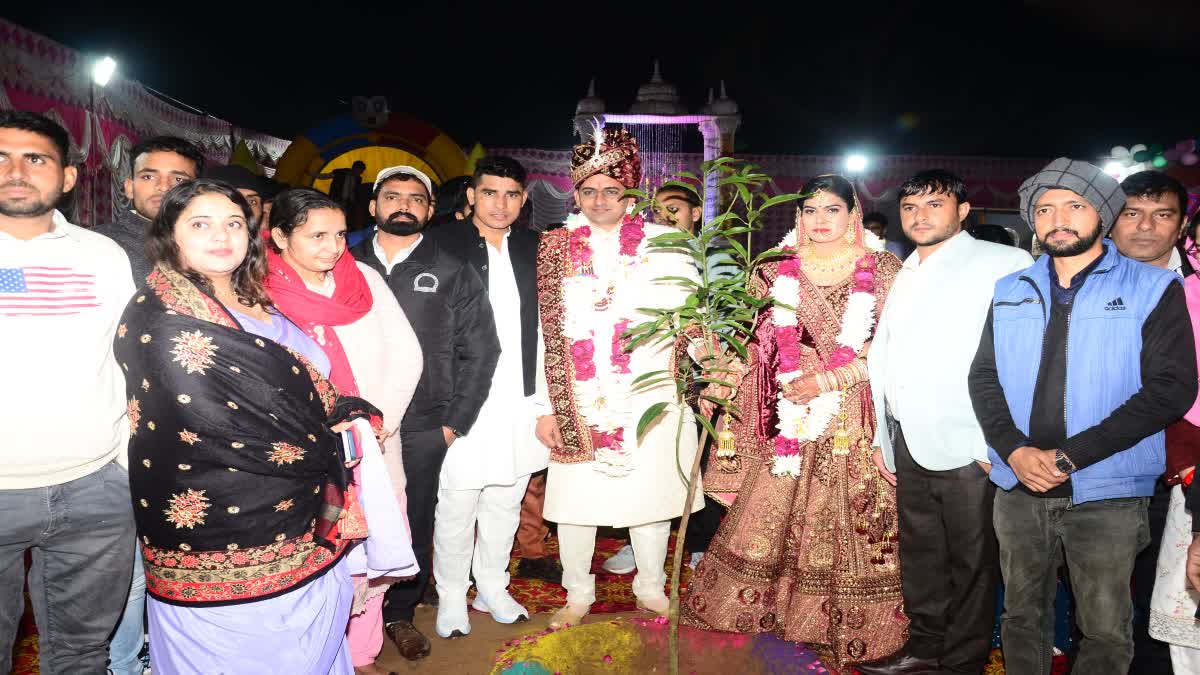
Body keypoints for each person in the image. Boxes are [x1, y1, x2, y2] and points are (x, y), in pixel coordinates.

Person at [116, 178, 376, 674]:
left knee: (310, 633)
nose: (222, 236)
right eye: (200, 224)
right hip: (218, 514)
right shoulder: (162, 317)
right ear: (170, 233)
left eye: (234, 223)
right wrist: (326, 441)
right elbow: (207, 417)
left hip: (302, 504)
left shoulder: (256, 296)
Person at [968, 158, 1197, 674]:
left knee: (1105, 627)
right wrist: (1015, 450)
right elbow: (984, 377)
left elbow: (1171, 389)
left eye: (1075, 204)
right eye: (1044, 209)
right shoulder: (1012, 287)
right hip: (1019, 486)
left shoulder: (1152, 287)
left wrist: (1072, 456)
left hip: (1107, 489)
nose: (1058, 218)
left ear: (1103, 212)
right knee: (1023, 617)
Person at [681, 173, 906, 669]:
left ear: (853, 214)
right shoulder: (772, 269)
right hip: (789, 413)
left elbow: (898, 349)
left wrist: (827, 381)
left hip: (853, 414)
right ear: (796, 217)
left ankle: (848, 622)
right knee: (773, 510)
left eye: (831, 209)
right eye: (809, 211)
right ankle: (770, 612)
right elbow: (749, 336)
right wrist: (711, 354)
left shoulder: (885, 268)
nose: (819, 220)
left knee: (854, 516)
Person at [533, 128, 704, 629]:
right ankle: (577, 593)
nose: (599, 201)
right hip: (577, 393)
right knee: (575, 505)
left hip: (651, 395)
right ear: (576, 194)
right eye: (588, 191)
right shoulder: (554, 247)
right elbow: (546, 333)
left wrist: (707, 367)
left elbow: (690, 318)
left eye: (611, 190)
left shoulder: (666, 244)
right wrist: (545, 405)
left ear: (631, 195)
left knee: (649, 498)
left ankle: (649, 586)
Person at [861, 169, 1030, 675]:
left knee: (972, 562)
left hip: (971, 443)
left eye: (935, 205)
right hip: (907, 438)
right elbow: (887, 357)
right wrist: (881, 436)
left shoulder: (1003, 262)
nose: (919, 216)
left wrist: (991, 444)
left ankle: (963, 661)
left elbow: (1020, 359)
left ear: (963, 210)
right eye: (910, 208)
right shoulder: (905, 268)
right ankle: (923, 648)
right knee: (922, 556)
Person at [0, 110, 136, 674]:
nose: (16, 171)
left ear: (69, 176)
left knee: (81, 655)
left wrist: (124, 465)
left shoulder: (102, 255)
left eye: (36, 159)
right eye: (1, 159)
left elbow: (131, 356)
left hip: (96, 493)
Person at [265, 188, 423, 675]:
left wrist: (381, 424)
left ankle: (363, 653)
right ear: (279, 236)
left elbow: (407, 354)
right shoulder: (257, 290)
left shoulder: (365, 279)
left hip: (374, 445)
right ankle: (319, 660)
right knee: (315, 559)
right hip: (299, 454)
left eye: (338, 234)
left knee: (375, 551)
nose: (332, 247)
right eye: (316, 236)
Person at [350, 166, 499, 660]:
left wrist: (453, 424)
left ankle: (400, 612)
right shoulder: (343, 262)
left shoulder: (453, 268)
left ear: (430, 210)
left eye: (416, 199)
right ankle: (345, 614)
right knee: (348, 518)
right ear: (372, 206)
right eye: (392, 196)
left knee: (412, 517)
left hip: (421, 424)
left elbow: (481, 351)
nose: (403, 206)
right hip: (348, 421)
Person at [427, 155, 546, 637]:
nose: (501, 204)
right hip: (463, 396)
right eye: (490, 192)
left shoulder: (538, 248)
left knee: (507, 494)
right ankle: (452, 594)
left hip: (522, 393)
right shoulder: (438, 244)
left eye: (512, 194)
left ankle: (492, 586)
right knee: (457, 497)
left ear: (523, 200)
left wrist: (547, 401)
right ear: (472, 194)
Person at [1109, 171, 1200, 673]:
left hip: (1179, 469)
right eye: (1131, 213)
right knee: (1096, 595)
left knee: (1161, 593)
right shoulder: (1076, 278)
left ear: (1181, 224)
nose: (1145, 227)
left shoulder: (1195, 289)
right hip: (1094, 463)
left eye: (1161, 214)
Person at [94, 135, 205, 284]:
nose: (164, 187)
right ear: (129, 188)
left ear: (198, 192)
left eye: (179, 179)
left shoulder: (213, 244)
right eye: (148, 177)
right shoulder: (97, 243)